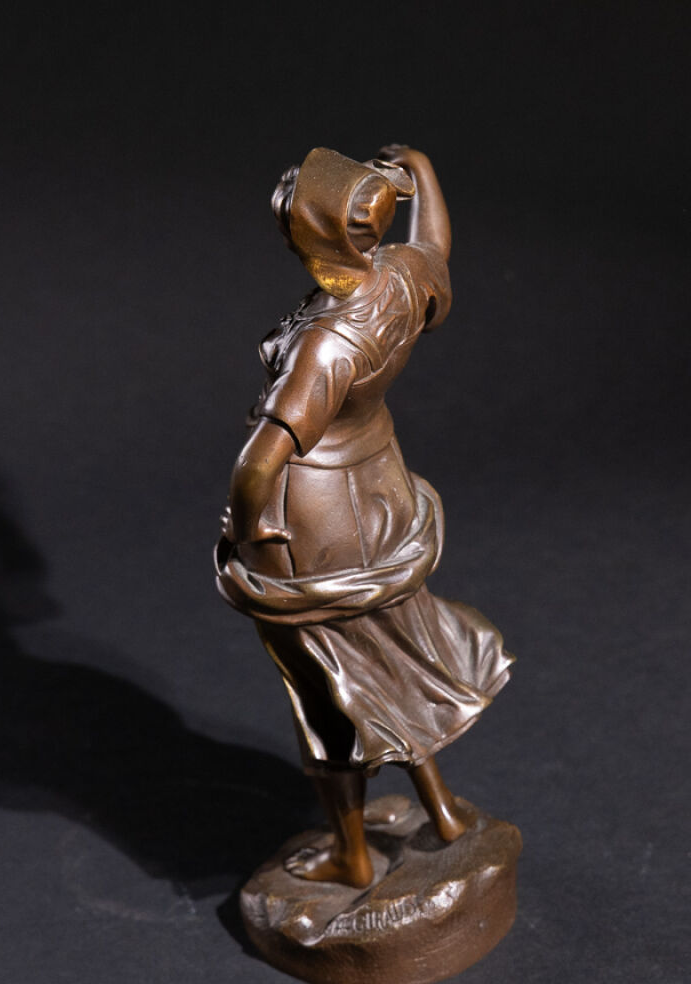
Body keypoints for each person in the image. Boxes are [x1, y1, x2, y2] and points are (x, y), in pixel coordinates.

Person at [216, 146, 513, 888]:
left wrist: (247, 533)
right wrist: (424, 170)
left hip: (313, 519)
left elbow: (258, 463)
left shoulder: (326, 345)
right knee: (389, 656)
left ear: (314, 238)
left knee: (324, 685)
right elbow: (434, 243)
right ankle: (442, 811)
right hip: (379, 484)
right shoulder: (402, 278)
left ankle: (351, 855)